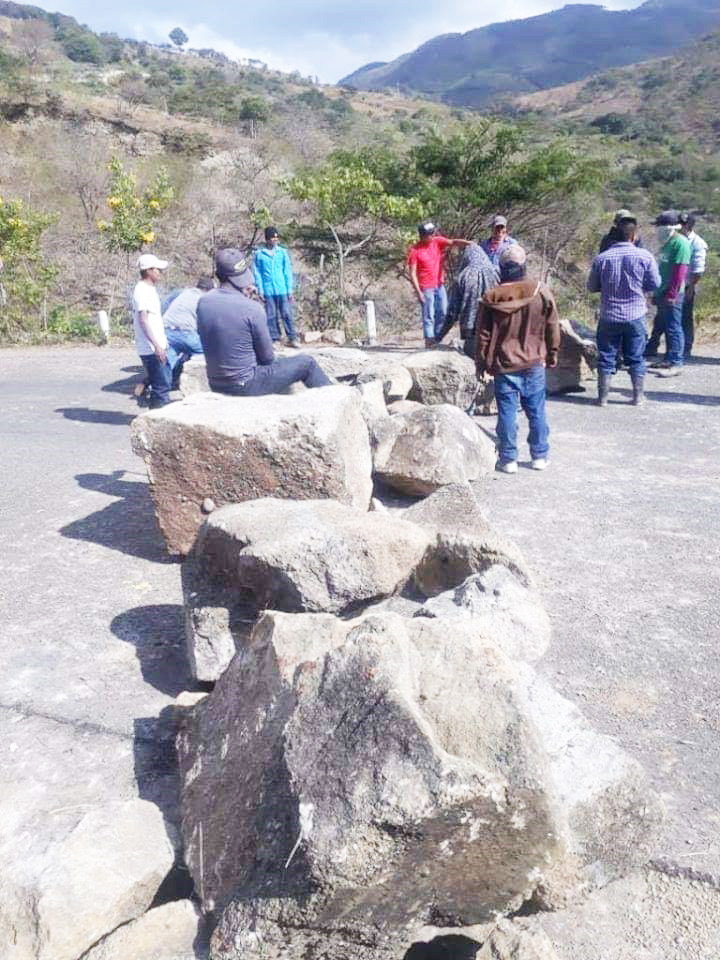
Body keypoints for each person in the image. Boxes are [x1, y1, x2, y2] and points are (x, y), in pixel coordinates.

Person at [197, 248, 331, 396]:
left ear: (219, 275)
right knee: (307, 363)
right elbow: (267, 358)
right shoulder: (252, 308)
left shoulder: (203, 302)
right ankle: (335, 401)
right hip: (246, 384)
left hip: (215, 383)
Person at [475, 245, 560, 474]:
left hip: (504, 364)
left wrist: (481, 365)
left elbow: (482, 336)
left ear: (501, 268)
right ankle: (539, 456)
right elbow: (553, 326)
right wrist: (552, 354)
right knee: (536, 411)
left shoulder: (491, 297)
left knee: (507, 413)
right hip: (534, 362)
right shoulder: (541, 291)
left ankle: (509, 459)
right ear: (523, 266)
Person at [587, 217, 661, 407]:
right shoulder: (645, 256)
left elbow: (592, 286)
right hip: (635, 314)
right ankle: (638, 396)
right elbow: (655, 283)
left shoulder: (602, 258)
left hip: (609, 314)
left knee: (606, 357)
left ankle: (602, 398)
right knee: (636, 357)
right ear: (633, 236)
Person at [407, 221, 471, 348]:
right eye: (429, 234)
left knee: (443, 311)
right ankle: (429, 340)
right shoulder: (415, 251)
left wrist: (469, 244)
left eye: (432, 233)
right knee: (429, 315)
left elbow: (453, 242)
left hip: (439, 285)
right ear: (422, 236)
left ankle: (436, 337)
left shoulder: (437, 241)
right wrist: (419, 292)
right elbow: (413, 273)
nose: (432, 236)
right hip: (426, 288)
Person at [644, 210, 692, 375]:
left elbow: (680, 272)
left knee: (674, 328)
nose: (657, 229)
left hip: (673, 294)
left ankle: (676, 362)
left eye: (659, 226)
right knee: (664, 326)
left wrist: (671, 294)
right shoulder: (668, 242)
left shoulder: (681, 243)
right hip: (662, 292)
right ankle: (667, 360)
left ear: (670, 227)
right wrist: (655, 292)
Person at [435, 243, 499, 358]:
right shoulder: (495, 273)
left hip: (472, 332)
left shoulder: (463, 276)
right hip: (493, 330)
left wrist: (439, 336)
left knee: (472, 363)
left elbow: (452, 313)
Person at [132, 253, 177, 409]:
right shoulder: (142, 291)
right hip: (151, 348)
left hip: (156, 344)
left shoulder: (148, 290)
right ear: (149, 270)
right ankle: (157, 417)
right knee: (162, 386)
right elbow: (143, 320)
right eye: (158, 269)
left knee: (164, 381)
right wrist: (157, 346)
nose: (160, 273)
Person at [252, 227, 300, 347]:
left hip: (282, 288)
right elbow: (257, 273)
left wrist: (290, 289)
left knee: (286, 313)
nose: (275, 240)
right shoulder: (259, 254)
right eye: (273, 238)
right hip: (268, 290)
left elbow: (287, 271)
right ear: (267, 239)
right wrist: (260, 289)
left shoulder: (282, 252)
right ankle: (275, 339)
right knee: (271, 315)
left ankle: (292, 338)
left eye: (277, 238)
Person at [679, 213, 708, 358]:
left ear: (688, 225)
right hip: (673, 286)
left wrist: (691, 287)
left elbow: (698, 270)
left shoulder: (697, 243)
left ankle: (686, 347)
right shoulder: (676, 240)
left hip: (686, 286)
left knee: (685, 317)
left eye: (682, 223)